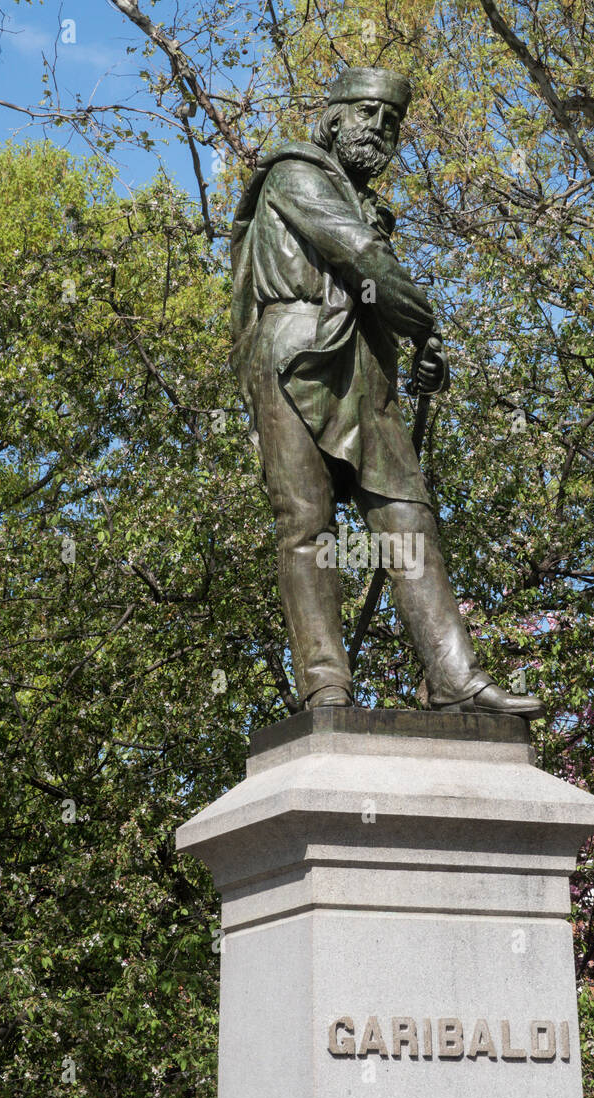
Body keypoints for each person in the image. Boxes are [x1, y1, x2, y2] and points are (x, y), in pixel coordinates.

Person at [230, 66, 545, 718]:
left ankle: (453, 675)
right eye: (367, 112)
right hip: (292, 359)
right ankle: (327, 689)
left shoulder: (361, 200)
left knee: (407, 514)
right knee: (307, 526)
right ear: (334, 114)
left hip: (364, 370)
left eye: (391, 121)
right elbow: (363, 260)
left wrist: (416, 355)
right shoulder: (296, 176)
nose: (379, 128)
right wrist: (425, 325)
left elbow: (369, 291)